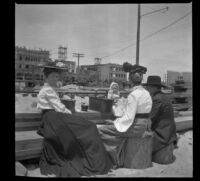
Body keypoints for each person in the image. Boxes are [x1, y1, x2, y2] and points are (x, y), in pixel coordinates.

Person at [36, 62, 112, 177]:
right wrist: (71, 114)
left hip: (52, 117)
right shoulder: (48, 90)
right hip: (53, 118)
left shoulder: (48, 89)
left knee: (86, 126)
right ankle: (91, 159)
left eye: (56, 76)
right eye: (52, 76)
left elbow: (53, 106)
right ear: (46, 77)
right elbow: (59, 107)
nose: (55, 79)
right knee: (89, 126)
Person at [97, 62, 153, 168]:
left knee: (101, 130)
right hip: (143, 125)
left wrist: (115, 122)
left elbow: (128, 118)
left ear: (130, 79)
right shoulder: (146, 93)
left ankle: (112, 159)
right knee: (112, 129)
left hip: (135, 127)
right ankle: (118, 155)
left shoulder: (133, 95)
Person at [143, 75, 177, 164]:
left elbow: (150, 119)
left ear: (153, 87)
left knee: (139, 133)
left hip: (163, 134)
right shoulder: (163, 96)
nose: (146, 89)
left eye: (148, 87)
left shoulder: (157, 99)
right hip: (168, 132)